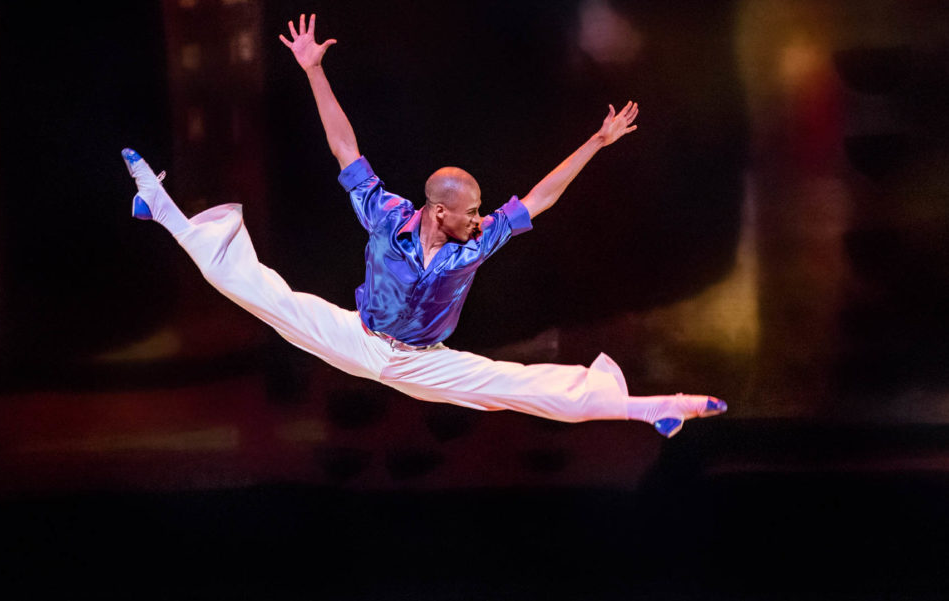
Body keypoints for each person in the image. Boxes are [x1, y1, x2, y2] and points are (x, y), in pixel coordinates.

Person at [120, 13, 726, 438]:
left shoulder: (479, 240)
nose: (483, 216)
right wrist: (312, 70)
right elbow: (343, 146)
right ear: (441, 210)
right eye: (474, 209)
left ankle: (651, 409)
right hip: (357, 337)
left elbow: (540, 199)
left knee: (516, 387)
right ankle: (162, 206)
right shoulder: (386, 217)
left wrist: (596, 141)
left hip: (424, 361)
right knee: (258, 291)